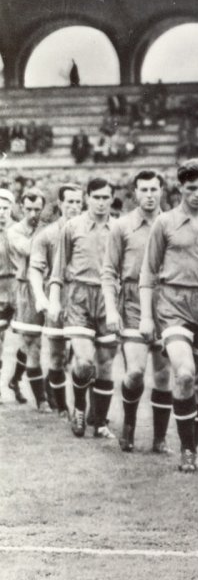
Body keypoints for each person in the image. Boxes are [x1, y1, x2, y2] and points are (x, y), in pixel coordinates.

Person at [140, 159, 198, 473]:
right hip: (174, 305)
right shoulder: (166, 223)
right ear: (180, 188)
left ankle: (192, 448)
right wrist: (146, 316)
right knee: (183, 372)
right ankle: (187, 450)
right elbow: (148, 271)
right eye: (191, 188)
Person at [101, 170, 172, 453]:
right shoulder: (122, 226)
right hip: (131, 301)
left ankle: (160, 438)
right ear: (135, 192)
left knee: (164, 375)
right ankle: (128, 425)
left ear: (162, 191)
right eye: (144, 190)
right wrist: (110, 309)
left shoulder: (172, 224)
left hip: (166, 301)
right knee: (136, 372)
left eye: (154, 189)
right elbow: (108, 272)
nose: (150, 195)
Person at [49, 178, 119, 439]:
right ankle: (79, 409)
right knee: (84, 361)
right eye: (96, 197)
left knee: (105, 364)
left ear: (112, 199)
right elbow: (58, 270)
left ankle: (99, 422)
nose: (101, 202)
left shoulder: (119, 228)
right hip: (78, 296)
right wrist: (55, 300)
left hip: (109, 297)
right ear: (87, 198)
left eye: (106, 197)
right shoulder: (72, 227)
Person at [28, 184, 84, 416]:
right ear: (60, 204)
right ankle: (61, 407)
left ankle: (86, 410)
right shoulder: (48, 235)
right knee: (57, 355)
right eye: (69, 202)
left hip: (83, 299)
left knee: (85, 356)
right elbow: (35, 269)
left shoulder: (88, 230)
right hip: (57, 298)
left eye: (78, 202)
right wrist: (43, 297)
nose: (73, 206)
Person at [8, 188, 48, 409]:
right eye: (30, 209)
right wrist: (46, 232)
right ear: (22, 208)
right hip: (25, 288)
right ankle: (42, 399)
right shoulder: (15, 230)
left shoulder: (45, 227)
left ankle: (16, 379)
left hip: (49, 286)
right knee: (32, 342)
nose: (34, 213)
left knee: (56, 343)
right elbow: (30, 249)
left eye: (38, 209)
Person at [0, 189, 20, 402]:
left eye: (5, 208)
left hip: (19, 287)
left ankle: (17, 378)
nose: (1, 212)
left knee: (29, 339)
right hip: (0, 288)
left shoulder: (18, 230)